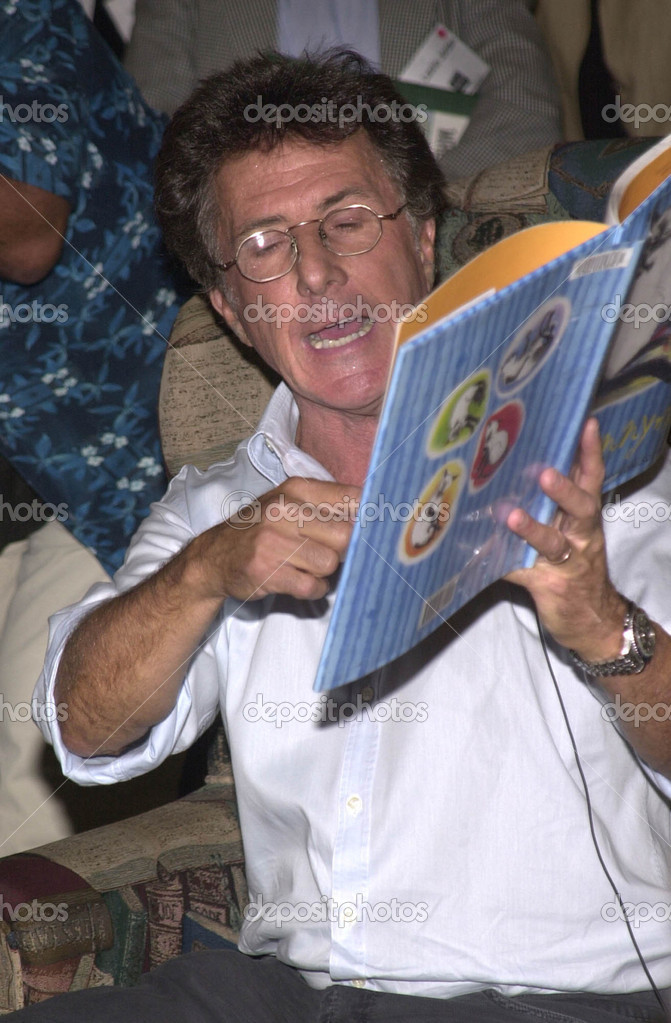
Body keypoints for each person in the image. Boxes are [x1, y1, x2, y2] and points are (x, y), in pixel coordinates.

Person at [25, 50, 671, 1021]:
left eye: (346, 221)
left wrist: (599, 624)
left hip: (553, 992)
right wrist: (206, 573)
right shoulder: (216, 507)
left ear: (420, 238)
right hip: (286, 992)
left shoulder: (600, 456)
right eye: (264, 244)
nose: (315, 271)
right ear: (232, 309)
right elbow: (84, 729)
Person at [0, 0, 188, 852]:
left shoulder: (21, 14)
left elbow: (28, 227)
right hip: (26, 455)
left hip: (109, 449)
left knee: (25, 778)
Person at [124, 0, 562, 179]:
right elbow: (152, 133)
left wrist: (415, 199)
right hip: (259, 251)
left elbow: (526, 110)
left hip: (447, 219)